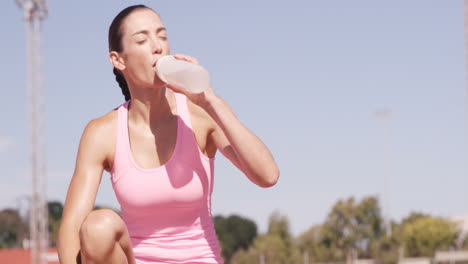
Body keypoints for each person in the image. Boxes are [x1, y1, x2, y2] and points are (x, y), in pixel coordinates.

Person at [57, 4, 279, 264]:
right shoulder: (102, 133)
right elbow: (71, 229)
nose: (157, 46)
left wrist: (211, 101)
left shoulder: (200, 113)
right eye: (142, 39)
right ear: (118, 60)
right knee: (99, 227)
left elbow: (267, 175)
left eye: (162, 36)